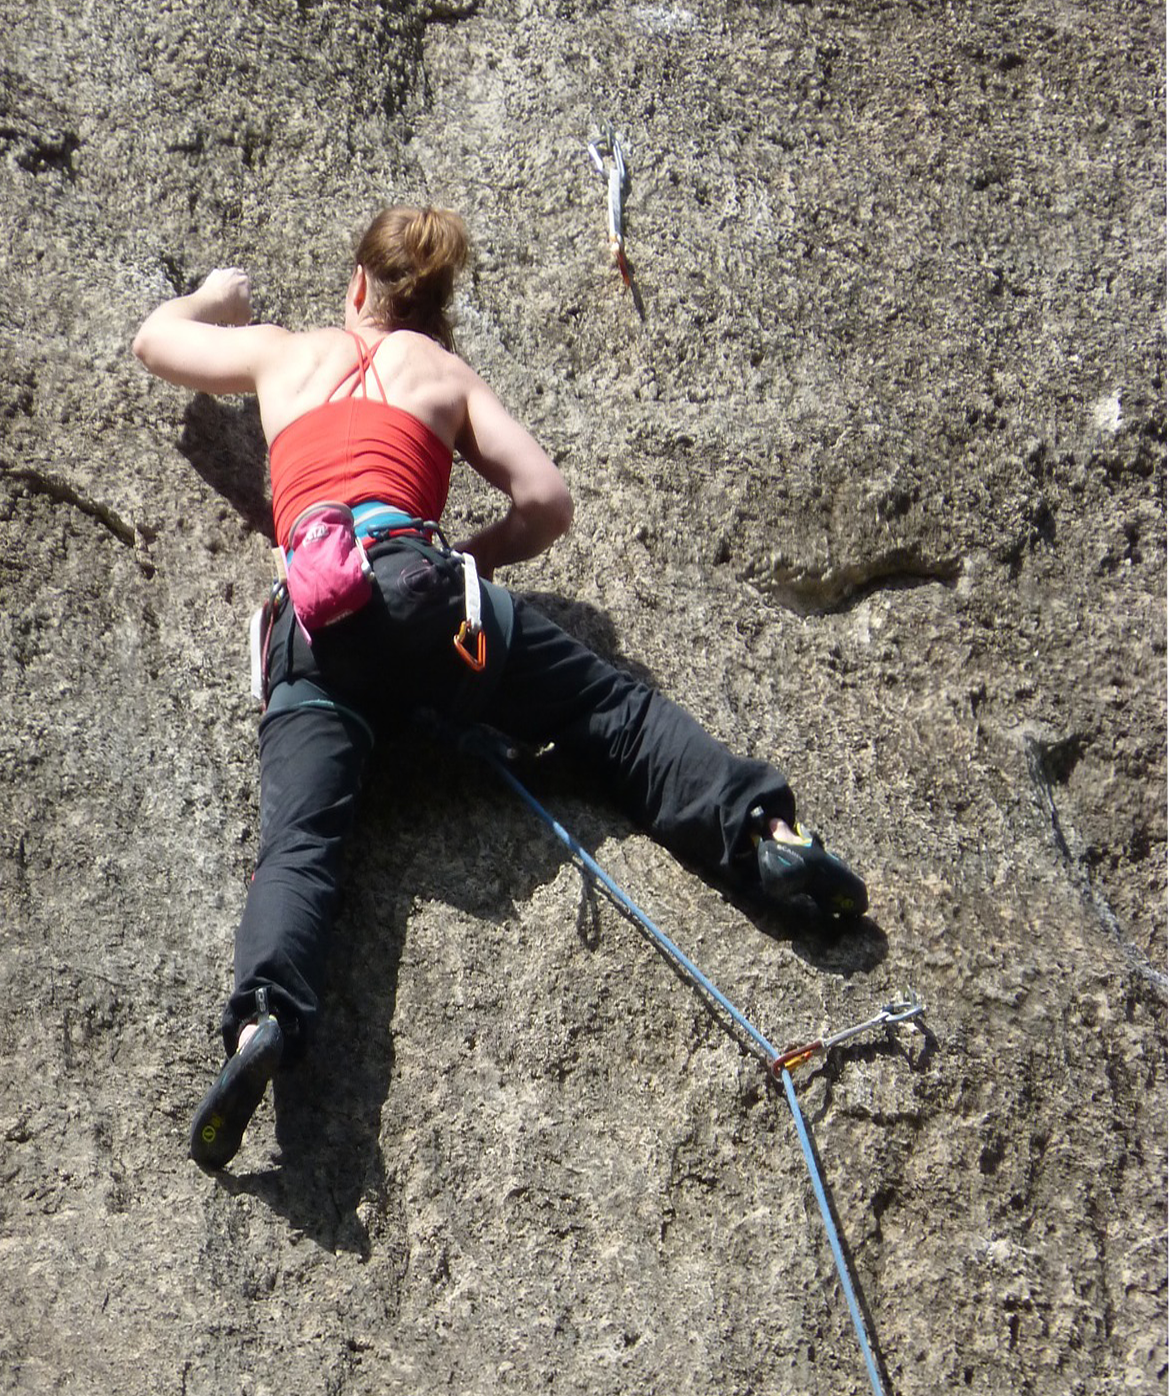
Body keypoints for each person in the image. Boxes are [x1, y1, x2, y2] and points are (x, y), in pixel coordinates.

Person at [132, 207, 867, 1174]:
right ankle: (763, 839)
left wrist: (217, 301)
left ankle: (263, 1019)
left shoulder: (280, 354)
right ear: (436, 312)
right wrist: (459, 557)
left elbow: (154, 340)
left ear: (358, 287)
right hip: (435, 606)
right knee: (613, 715)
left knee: (300, 846)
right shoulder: (445, 376)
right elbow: (546, 503)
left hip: (318, 630)